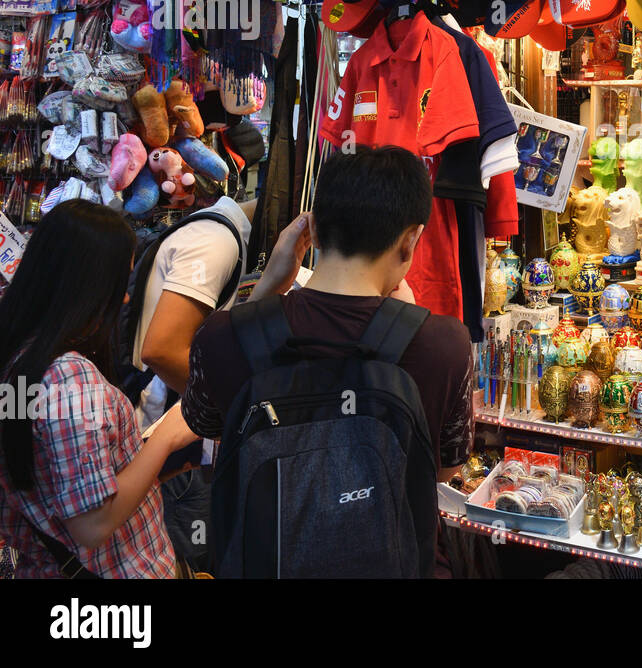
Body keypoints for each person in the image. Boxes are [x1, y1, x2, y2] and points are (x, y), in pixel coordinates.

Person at [182, 145, 474, 572]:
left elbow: (207, 425)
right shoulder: (443, 342)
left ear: (312, 230)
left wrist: (267, 289)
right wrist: (411, 322)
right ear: (411, 239)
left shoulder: (222, 336)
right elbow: (443, 469)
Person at [0, 200, 198, 578]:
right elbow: (93, 524)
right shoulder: (69, 378)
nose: (123, 298)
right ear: (87, 287)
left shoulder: (19, 357)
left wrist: (138, 458)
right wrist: (166, 439)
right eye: (119, 284)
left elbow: (55, 481)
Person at [127, 193, 251, 574]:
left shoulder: (215, 232)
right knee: (183, 549)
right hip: (166, 434)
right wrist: (222, 418)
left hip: (170, 434)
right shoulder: (216, 241)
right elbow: (162, 350)